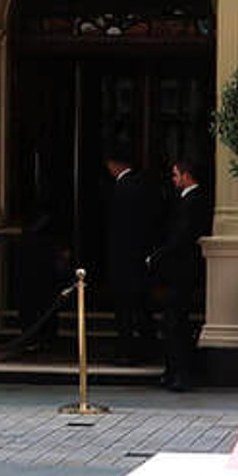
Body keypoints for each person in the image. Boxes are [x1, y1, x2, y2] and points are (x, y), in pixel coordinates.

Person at [152, 158, 213, 391]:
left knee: (177, 322)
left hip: (183, 271)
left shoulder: (194, 201)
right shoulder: (184, 200)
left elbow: (182, 236)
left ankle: (181, 373)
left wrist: (158, 255)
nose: (173, 179)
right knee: (173, 322)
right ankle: (174, 371)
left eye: (175, 175)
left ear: (186, 176)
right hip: (178, 270)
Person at [102, 154, 164, 364]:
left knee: (125, 308)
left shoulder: (122, 188)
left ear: (113, 164)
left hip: (124, 260)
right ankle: (149, 348)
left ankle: (126, 351)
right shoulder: (140, 186)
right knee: (140, 306)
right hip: (138, 259)